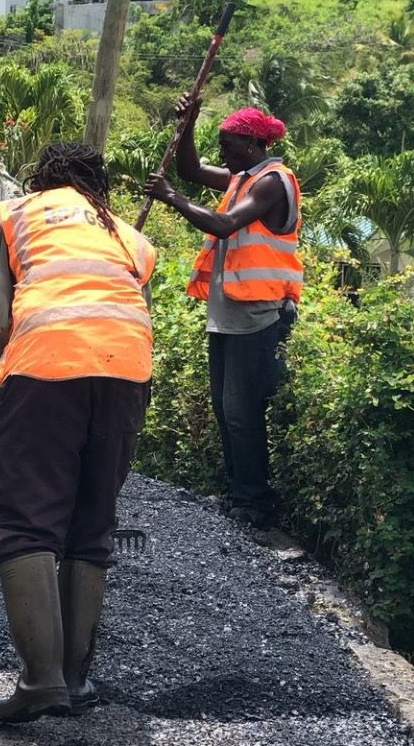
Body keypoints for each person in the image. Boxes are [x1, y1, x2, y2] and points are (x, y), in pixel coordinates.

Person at [0, 143, 156, 723]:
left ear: (40, 178)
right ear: (100, 185)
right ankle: (75, 679)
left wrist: (16, 369)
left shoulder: (13, 216)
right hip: (128, 374)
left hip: (45, 371)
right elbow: (138, 312)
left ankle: (40, 681)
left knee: (25, 520)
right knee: (90, 523)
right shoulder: (129, 236)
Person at [147, 99, 301, 530]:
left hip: (259, 315)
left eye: (228, 145)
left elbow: (222, 224)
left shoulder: (271, 182)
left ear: (251, 144)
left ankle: (255, 502)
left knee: (241, 410)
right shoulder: (243, 178)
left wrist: (170, 197)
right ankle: (238, 493)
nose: (222, 153)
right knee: (224, 407)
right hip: (229, 312)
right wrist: (188, 123)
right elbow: (192, 170)